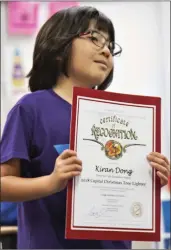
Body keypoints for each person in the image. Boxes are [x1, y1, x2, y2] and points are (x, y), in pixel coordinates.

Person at [0, 6, 170, 250]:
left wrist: (147, 179)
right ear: (58, 46)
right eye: (94, 38)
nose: (106, 51)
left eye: (111, 46)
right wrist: (51, 182)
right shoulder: (31, 109)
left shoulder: (121, 115)